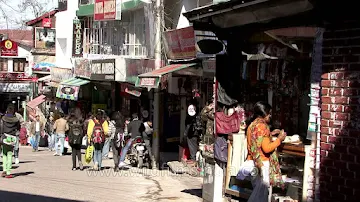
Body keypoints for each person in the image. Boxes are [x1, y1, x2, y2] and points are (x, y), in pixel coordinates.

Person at [245, 101, 287, 202]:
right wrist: (279, 140)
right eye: (269, 113)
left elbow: (257, 141)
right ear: (264, 113)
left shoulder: (252, 125)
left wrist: (270, 134)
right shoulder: (262, 126)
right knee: (261, 196)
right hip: (262, 164)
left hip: (252, 162)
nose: (270, 116)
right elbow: (267, 148)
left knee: (258, 194)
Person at [1, 104, 20, 178]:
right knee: (9, 154)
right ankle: (8, 171)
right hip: (12, 138)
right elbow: (18, 128)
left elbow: (1, 127)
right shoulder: (16, 120)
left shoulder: (3, 118)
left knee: (4, 154)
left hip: (5, 137)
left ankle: (4, 170)